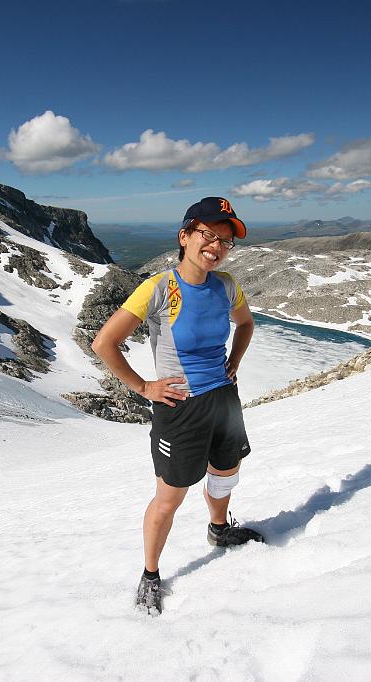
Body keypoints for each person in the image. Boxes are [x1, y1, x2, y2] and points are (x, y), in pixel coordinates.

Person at [91, 196, 264, 616]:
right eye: (208, 234)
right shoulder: (157, 287)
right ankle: (150, 574)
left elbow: (245, 324)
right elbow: (104, 343)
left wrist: (234, 362)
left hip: (223, 398)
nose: (217, 245)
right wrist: (144, 387)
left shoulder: (227, 285)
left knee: (226, 472)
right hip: (180, 407)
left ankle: (219, 531)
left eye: (225, 240)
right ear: (184, 236)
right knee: (170, 497)